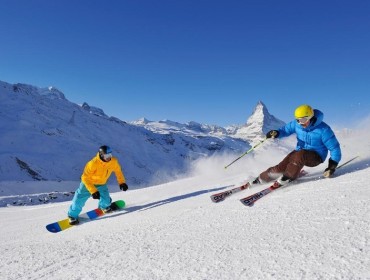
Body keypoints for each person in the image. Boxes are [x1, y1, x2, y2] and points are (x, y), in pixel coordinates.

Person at [251, 104, 342, 187]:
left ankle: (288, 177)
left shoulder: (323, 130)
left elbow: (334, 148)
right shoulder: (297, 124)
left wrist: (332, 166)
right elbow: (285, 130)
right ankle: (262, 178)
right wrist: (277, 133)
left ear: (310, 117)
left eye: (303, 120)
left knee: (300, 155)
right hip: (299, 153)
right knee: (281, 166)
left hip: (316, 156)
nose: (301, 123)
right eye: (298, 120)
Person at [67, 145, 128, 225]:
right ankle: (72, 216)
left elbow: (118, 171)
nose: (108, 157)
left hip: (101, 184)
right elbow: (85, 177)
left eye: (110, 155)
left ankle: (104, 206)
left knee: (106, 201)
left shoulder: (113, 161)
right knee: (78, 201)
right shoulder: (93, 163)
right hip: (88, 184)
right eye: (106, 155)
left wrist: (122, 182)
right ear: (102, 155)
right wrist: (93, 191)